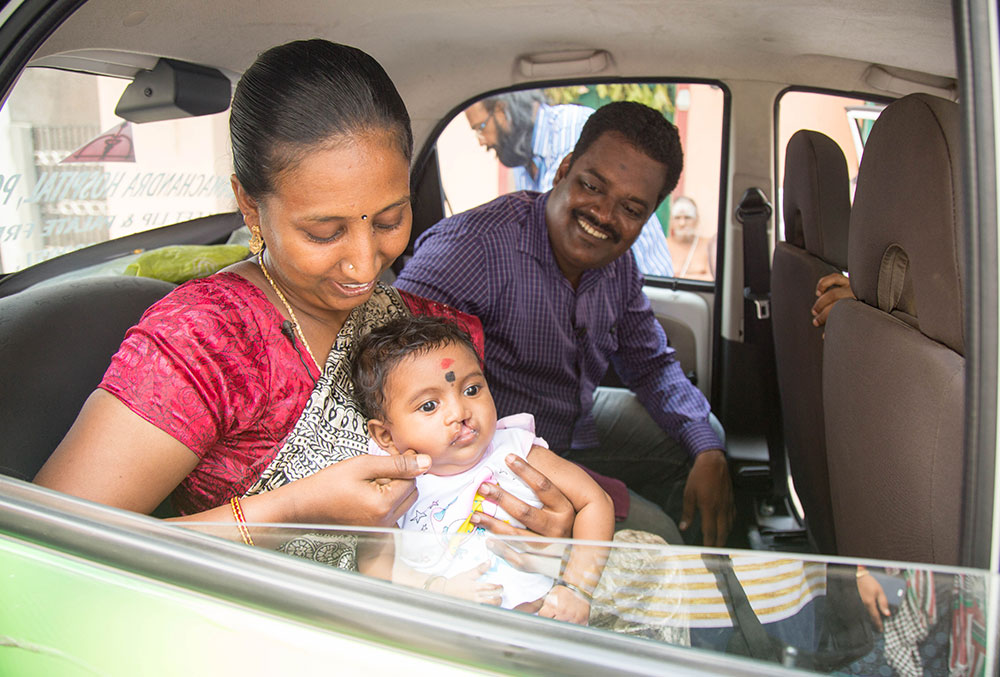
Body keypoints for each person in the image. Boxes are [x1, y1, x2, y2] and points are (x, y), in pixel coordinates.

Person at [33, 39, 580, 568]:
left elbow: (472, 494)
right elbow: (43, 543)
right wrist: (293, 508)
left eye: (390, 220)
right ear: (249, 205)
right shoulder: (208, 342)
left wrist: (534, 530)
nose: (366, 266)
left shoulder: (424, 331)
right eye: (324, 232)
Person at [397, 101, 735, 546]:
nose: (603, 215)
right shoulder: (472, 247)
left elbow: (651, 365)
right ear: (564, 169)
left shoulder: (619, 267)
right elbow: (394, 363)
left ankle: (699, 560)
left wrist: (707, 450)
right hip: (489, 451)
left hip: (571, 429)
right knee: (659, 534)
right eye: (592, 186)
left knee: (707, 436)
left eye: (631, 209)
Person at [353, 315, 613, 624]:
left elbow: (596, 502)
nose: (460, 412)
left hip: (547, 619)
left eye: (472, 389)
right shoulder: (392, 487)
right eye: (429, 406)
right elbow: (375, 562)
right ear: (385, 436)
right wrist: (438, 589)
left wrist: (576, 589)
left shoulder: (516, 450)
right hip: (452, 632)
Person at [465, 91, 676, 278]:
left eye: (481, 128)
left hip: (648, 284)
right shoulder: (521, 159)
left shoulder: (571, 127)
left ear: (502, 111)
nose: (481, 141)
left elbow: (549, 235)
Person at [666, 196, 714, 280]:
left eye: (687, 218)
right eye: (677, 218)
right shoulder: (663, 245)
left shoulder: (708, 245)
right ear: (671, 221)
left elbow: (712, 278)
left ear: (696, 219)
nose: (682, 223)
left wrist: (679, 277)